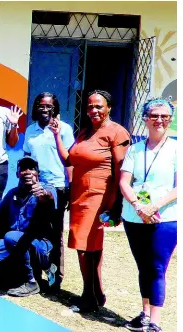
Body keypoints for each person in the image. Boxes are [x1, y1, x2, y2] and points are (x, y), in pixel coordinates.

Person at [66, 90, 130, 312]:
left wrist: (117, 204)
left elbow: (122, 170)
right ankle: (96, 292)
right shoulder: (84, 132)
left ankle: (88, 295)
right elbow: (70, 159)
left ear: (109, 108)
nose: (93, 110)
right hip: (78, 195)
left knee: (84, 245)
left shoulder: (117, 132)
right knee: (88, 246)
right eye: (90, 106)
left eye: (98, 106)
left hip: (99, 195)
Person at [118, 98, 177, 332]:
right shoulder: (135, 149)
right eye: (154, 116)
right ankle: (144, 314)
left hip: (166, 218)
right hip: (135, 217)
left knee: (157, 268)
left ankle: (155, 322)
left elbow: (177, 187)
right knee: (143, 266)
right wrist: (139, 206)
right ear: (145, 119)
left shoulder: (176, 148)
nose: (160, 120)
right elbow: (125, 181)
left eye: (165, 116)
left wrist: (154, 207)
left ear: (170, 120)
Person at [0, 157, 57, 297]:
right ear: (17, 173)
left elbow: (49, 199)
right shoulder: (12, 193)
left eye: (31, 169)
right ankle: (12, 277)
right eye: (23, 169)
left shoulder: (46, 189)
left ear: (37, 173)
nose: (27, 172)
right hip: (14, 242)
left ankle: (31, 282)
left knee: (11, 236)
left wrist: (43, 194)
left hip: (38, 245)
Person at [23, 92, 74, 291]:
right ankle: (35, 274)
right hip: (35, 187)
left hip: (57, 187)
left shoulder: (65, 130)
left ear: (55, 108)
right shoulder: (30, 131)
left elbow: (70, 161)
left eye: (49, 106)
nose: (45, 109)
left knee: (54, 232)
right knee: (33, 229)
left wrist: (70, 188)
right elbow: (28, 158)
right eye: (41, 106)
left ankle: (55, 278)